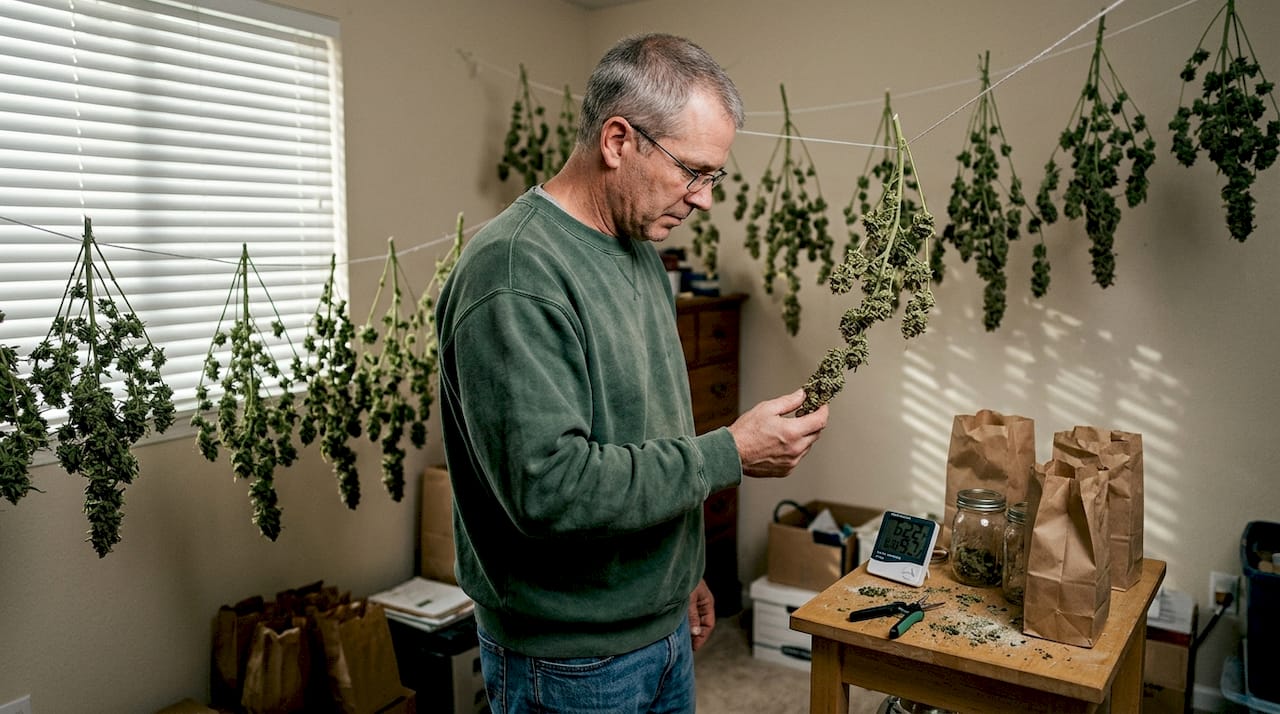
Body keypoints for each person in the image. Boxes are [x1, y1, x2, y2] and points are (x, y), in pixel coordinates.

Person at [434, 32, 830, 713]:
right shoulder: (514, 274)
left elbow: (652, 429)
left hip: (660, 627)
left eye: (715, 177)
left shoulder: (641, 249)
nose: (705, 199)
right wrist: (731, 451)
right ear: (619, 141)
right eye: (693, 171)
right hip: (570, 662)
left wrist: (682, 575)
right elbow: (550, 490)